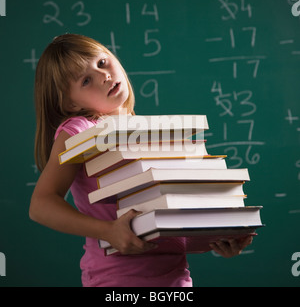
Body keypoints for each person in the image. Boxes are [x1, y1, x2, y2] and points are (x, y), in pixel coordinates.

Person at [29, 34, 253, 287]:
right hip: (116, 279)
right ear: (70, 104)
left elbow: (177, 209)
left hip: (176, 278)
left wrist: (217, 234)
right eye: (86, 80)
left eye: (102, 63)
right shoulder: (78, 129)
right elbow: (41, 204)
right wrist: (108, 231)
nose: (104, 76)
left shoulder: (151, 132)